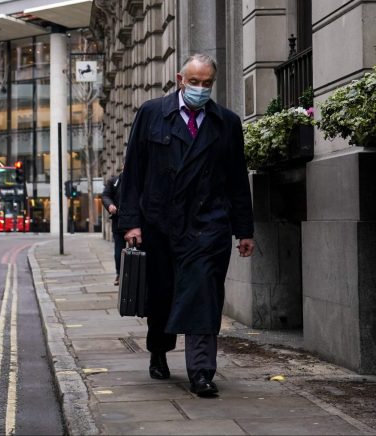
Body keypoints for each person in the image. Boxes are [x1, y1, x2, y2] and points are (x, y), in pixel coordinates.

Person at [117, 53, 255, 397]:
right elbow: (133, 172)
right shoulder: (152, 113)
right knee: (161, 296)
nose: (200, 89)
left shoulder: (226, 122)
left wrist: (244, 229)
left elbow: (238, 179)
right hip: (160, 223)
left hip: (208, 226)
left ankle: (202, 372)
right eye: (194, 82)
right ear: (180, 79)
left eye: (207, 83)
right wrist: (130, 223)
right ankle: (159, 351)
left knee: (203, 296)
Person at [101, 173, 123, 286]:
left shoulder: (138, 178)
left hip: (137, 221)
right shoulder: (114, 181)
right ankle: (120, 273)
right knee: (119, 250)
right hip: (119, 221)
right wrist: (110, 206)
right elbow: (105, 196)